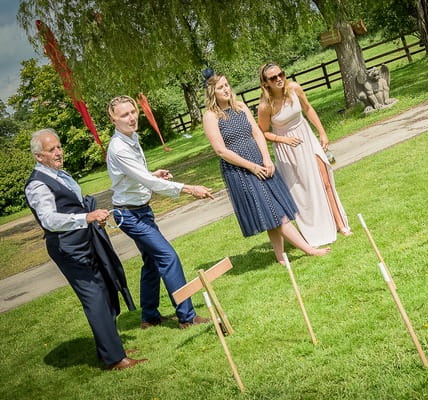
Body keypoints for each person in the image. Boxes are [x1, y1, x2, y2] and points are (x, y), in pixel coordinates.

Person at [25, 128, 147, 370]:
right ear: (39, 156)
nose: (59, 152)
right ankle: (114, 359)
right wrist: (86, 217)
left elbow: (73, 205)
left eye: (59, 147)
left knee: (105, 289)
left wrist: (90, 218)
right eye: (52, 150)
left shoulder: (59, 174)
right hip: (69, 248)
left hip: (86, 240)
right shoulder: (37, 185)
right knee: (95, 298)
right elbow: (49, 220)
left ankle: (110, 349)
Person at [106, 95, 214, 330]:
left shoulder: (131, 138)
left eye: (133, 112)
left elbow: (135, 177)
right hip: (129, 215)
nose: (132, 117)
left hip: (141, 210)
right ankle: (187, 317)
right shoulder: (118, 148)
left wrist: (152, 175)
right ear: (113, 119)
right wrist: (189, 188)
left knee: (153, 262)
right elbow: (144, 180)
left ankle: (149, 316)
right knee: (168, 257)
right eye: (124, 115)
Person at [202, 73, 330, 264]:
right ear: (212, 92)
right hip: (241, 170)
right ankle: (309, 249)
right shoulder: (211, 116)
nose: (226, 89)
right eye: (221, 88)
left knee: (272, 208)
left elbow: (258, 133)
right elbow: (221, 151)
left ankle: (280, 257)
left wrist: (266, 159)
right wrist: (252, 167)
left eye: (227, 85)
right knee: (275, 211)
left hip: (260, 162)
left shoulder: (240, 107)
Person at [257, 63, 351, 248]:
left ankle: (341, 225)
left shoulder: (294, 89)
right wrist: (282, 140)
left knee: (325, 181)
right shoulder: (265, 106)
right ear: (265, 83)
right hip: (288, 150)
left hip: (307, 138)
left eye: (281, 74)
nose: (279, 79)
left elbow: (308, 109)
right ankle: (315, 229)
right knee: (304, 191)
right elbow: (263, 132)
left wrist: (322, 133)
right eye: (273, 78)